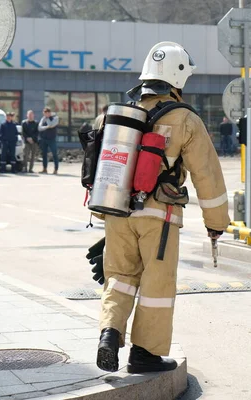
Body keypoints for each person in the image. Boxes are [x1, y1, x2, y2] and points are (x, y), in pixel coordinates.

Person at [96, 41, 230, 374]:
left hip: (117, 212)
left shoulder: (118, 114)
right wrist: (217, 222)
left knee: (120, 277)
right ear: (177, 77)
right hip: (159, 215)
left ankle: (109, 334)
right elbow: (207, 175)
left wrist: (103, 214)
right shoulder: (184, 118)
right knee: (157, 285)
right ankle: (145, 354)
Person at [38, 107, 60, 174]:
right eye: (44, 113)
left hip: (52, 139)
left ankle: (56, 169)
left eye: (46, 113)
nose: (45, 115)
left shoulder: (55, 118)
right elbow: (39, 128)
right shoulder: (43, 118)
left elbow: (52, 125)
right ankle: (44, 169)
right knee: (44, 154)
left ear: (49, 113)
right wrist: (47, 127)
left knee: (54, 154)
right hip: (44, 139)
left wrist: (47, 121)